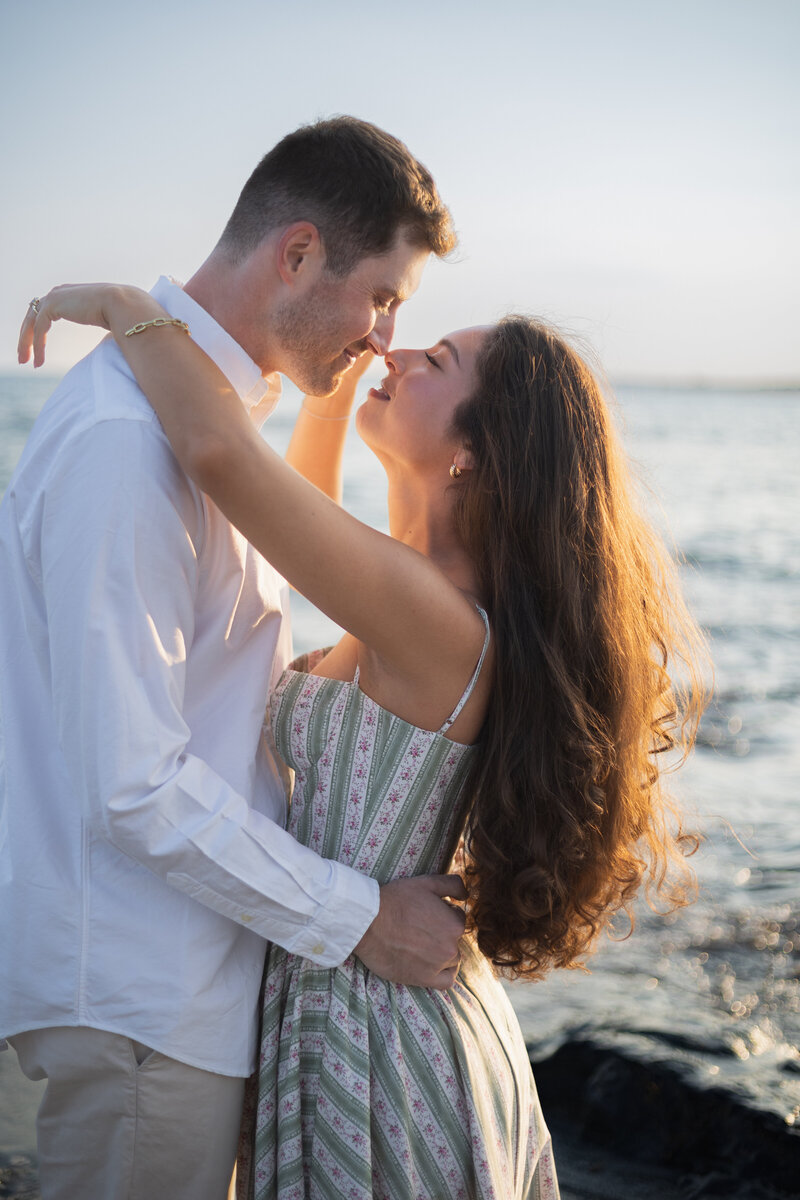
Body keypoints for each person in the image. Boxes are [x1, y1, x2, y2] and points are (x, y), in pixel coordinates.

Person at [18, 282, 708, 1200]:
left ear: (471, 454)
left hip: (380, 1026)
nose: (403, 352)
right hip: (349, 983)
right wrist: (344, 362)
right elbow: (293, 507)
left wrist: (123, 307)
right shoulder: (408, 592)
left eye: (440, 361)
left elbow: (222, 454)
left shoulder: (432, 614)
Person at [0, 117, 466, 1200]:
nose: (387, 338)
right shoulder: (127, 443)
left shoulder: (204, 431)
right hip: (137, 995)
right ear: (297, 254)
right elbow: (131, 784)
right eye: (384, 296)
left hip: (180, 991)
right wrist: (362, 920)